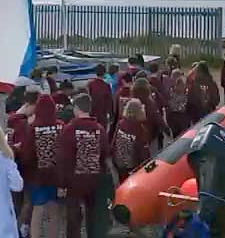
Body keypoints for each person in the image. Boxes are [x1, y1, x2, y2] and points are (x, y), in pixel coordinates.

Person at [57, 94, 111, 238]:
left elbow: (63, 160)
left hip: (74, 182)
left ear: (76, 108)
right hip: (95, 179)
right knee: (94, 217)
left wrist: (61, 184)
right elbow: (105, 153)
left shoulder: (69, 130)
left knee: (73, 220)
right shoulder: (99, 129)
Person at [20, 94, 64, 238]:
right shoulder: (61, 125)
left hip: (37, 176)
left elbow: (27, 154)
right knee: (54, 214)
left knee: (37, 213)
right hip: (56, 176)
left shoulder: (33, 127)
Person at [7, 88, 40, 237]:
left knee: (16, 202)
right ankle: (21, 230)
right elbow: (27, 147)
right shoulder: (25, 124)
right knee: (27, 202)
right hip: (25, 167)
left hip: (13, 164)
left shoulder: (14, 119)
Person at [112, 99, 150, 182]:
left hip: (119, 162)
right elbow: (143, 152)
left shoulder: (121, 123)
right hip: (132, 166)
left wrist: (113, 158)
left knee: (121, 183)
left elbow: (114, 141)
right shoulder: (140, 129)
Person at [131, 77, 168, 153]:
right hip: (149, 135)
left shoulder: (132, 101)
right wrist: (167, 131)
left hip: (134, 135)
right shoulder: (149, 103)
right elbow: (157, 118)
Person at [164, 69, 191, 138]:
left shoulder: (184, 90)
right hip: (176, 120)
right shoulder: (170, 91)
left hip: (182, 120)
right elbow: (171, 107)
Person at [87, 64, 113, 129]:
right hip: (102, 114)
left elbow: (88, 98)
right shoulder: (107, 86)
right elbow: (109, 101)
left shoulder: (90, 84)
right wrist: (111, 115)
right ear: (104, 73)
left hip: (92, 113)